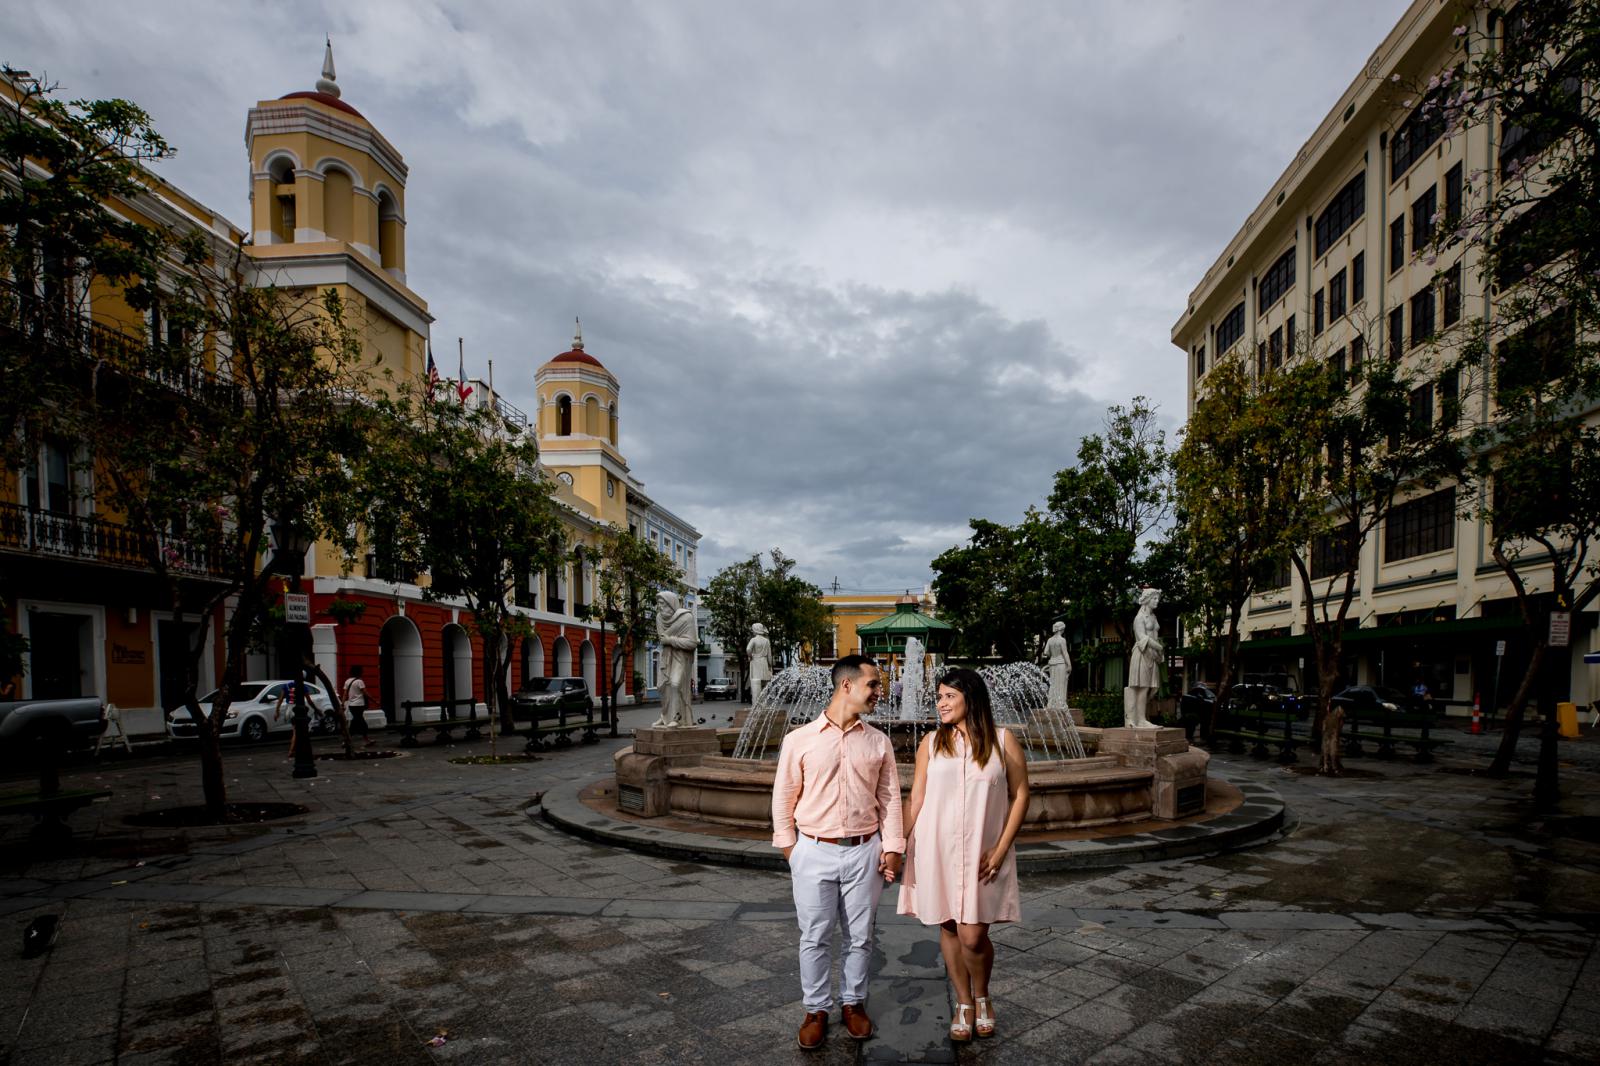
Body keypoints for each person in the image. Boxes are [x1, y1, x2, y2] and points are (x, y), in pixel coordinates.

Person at [771, 654, 904, 1051]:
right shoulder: (799, 740)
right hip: (813, 850)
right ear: (847, 686)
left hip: (865, 850)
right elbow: (783, 799)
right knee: (814, 937)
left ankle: (852, 1003)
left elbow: (891, 799)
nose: (880, 692)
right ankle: (815, 1009)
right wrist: (792, 851)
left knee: (860, 937)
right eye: (873, 685)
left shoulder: (878, 741)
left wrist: (893, 847)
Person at [898, 667, 1028, 1042]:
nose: (940, 703)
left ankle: (983, 993)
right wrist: (894, 844)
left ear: (971, 698)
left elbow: (1021, 794)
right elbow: (917, 798)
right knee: (950, 926)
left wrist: (1002, 848)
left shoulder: (1003, 741)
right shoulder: (931, 743)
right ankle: (964, 1003)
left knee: (973, 936)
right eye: (938, 697)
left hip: (984, 852)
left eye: (948, 697)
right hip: (937, 849)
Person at [653, 591, 697, 728]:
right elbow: (662, 639)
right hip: (667, 656)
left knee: (675, 683)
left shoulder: (686, 618)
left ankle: (677, 718)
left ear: (671, 603)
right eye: (658, 604)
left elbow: (692, 643)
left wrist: (671, 640)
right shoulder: (660, 618)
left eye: (662, 604)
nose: (660, 607)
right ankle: (665, 716)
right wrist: (667, 641)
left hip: (681, 656)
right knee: (663, 686)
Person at [1124, 587, 1164, 728]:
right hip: (1141, 654)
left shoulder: (1153, 617)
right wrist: (1159, 648)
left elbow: (1155, 636)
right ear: (1147, 600)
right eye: (1154, 598)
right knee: (1142, 687)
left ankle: (1140, 718)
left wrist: (1159, 653)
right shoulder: (1139, 618)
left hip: (1152, 655)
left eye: (1157, 598)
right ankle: (1139, 720)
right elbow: (1142, 638)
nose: (1157, 601)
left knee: (1151, 688)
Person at [342, 665, 374, 746]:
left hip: (351, 705)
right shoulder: (359, 681)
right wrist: (374, 700)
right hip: (359, 704)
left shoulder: (347, 681)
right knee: (359, 722)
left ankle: (364, 739)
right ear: (359, 672)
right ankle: (348, 740)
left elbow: (345, 694)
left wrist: (342, 703)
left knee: (357, 721)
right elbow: (365, 693)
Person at [1043, 621, 1072, 710]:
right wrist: (1069, 665)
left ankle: (1051, 704)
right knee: (1061, 683)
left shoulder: (1050, 640)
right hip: (1061, 664)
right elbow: (1065, 653)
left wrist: (1052, 655)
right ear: (1061, 629)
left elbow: (1046, 652)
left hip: (1052, 663)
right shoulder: (1062, 640)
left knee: (1053, 684)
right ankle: (1060, 704)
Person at [746, 623, 773, 706]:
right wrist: (770, 665)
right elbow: (769, 656)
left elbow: (748, 649)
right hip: (764, 662)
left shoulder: (753, 640)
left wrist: (750, 656)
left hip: (756, 662)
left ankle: (756, 704)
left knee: (755, 682)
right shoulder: (766, 641)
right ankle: (763, 704)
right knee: (764, 684)